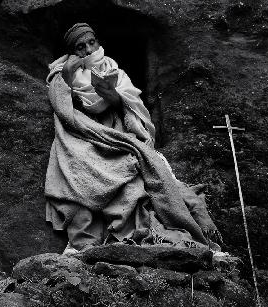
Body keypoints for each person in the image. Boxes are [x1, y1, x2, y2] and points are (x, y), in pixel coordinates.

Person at [45, 23, 220, 254]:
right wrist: (67, 75)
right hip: (83, 134)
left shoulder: (114, 70)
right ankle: (89, 237)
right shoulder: (62, 71)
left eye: (92, 42)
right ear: (72, 51)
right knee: (77, 169)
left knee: (137, 169)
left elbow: (135, 109)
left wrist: (115, 98)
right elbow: (62, 109)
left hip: (117, 133)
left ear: (98, 42)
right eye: (80, 47)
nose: (88, 50)